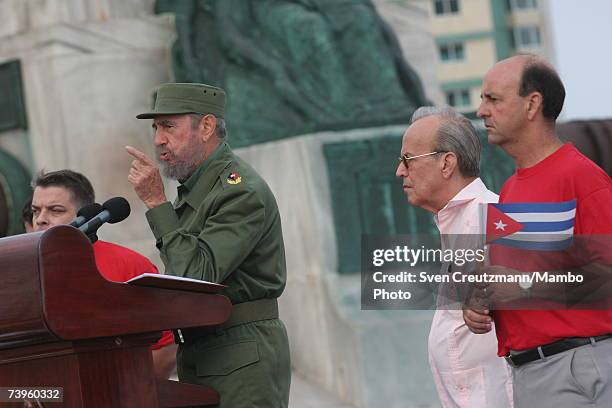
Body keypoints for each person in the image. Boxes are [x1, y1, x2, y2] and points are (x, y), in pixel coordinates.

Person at [127, 82, 291, 407]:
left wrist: (157, 202)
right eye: (156, 127)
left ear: (206, 127)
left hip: (240, 354)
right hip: (208, 350)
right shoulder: (199, 187)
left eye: (169, 126)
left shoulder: (238, 189)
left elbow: (195, 276)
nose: (158, 139)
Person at [463, 55, 612, 407]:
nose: (481, 111)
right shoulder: (511, 190)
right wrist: (481, 302)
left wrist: (523, 285)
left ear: (532, 104)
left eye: (493, 99)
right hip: (530, 373)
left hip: (580, 369)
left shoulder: (581, 177)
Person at [395, 106, 512, 407]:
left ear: (447, 163)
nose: (400, 171)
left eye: (407, 159)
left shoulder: (493, 217)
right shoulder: (456, 223)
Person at [31, 169, 177, 379]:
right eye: (36, 211)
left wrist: (120, 389)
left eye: (55, 210)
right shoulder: (19, 269)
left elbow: (166, 347)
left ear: (86, 215)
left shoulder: (130, 265)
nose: (41, 220)